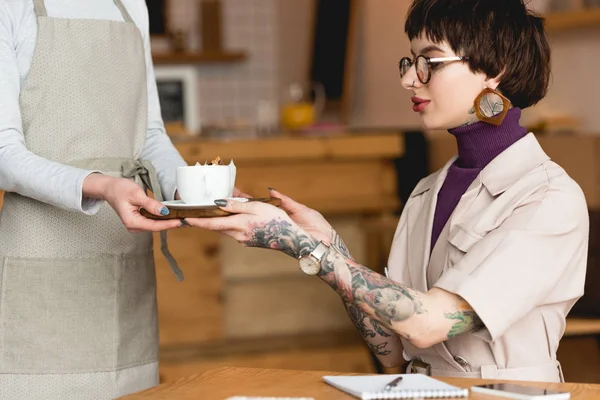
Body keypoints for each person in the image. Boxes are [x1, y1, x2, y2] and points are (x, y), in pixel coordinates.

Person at [186, 0, 589, 383]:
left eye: (429, 63)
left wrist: (309, 250)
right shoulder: (426, 192)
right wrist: (329, 245)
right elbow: (396, 353)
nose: (408, 79)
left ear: (494, 69)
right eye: (410, 62)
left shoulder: (549, 200)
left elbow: (428, 323)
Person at [0, 0, 192, 398]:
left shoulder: (130, 6)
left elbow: (150, 134)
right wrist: (102, 185)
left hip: (125, 263)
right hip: (41, 263)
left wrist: (191, 188)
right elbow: (3, 153)